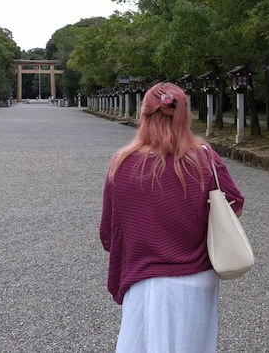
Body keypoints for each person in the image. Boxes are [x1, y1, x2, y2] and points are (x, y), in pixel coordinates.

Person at [100, 82, 245, 353]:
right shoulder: (204, 159)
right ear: (184, 116)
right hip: (197, 282)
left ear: (143, 115)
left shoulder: (121, 164)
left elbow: (109, 236)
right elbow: (235, 205)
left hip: (144, 282)